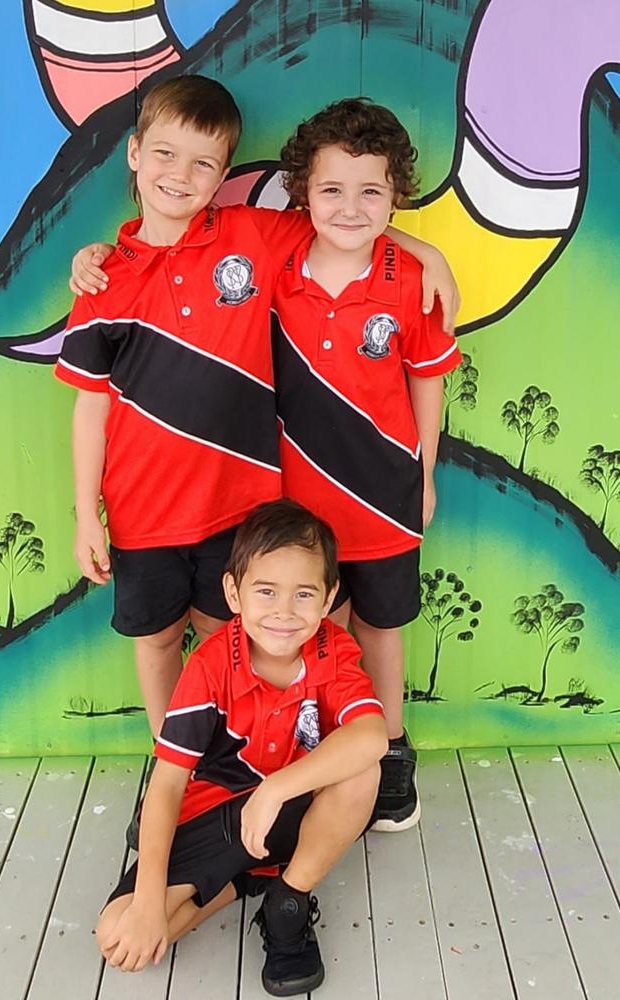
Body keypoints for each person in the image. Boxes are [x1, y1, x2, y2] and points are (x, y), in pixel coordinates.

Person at [63, 75, 458, 834]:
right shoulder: (106, 276)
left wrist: (423, 247)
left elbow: (348, 225)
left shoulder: (250, 236)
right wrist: (89, 511)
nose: (181, 175)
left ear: (223, 175)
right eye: (166, 156)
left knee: (248, 639)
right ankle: (178, 765)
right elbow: (91, 401)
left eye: (204, 163)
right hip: (158, 509)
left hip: (248, 511)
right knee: (158, 641)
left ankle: (314, 755)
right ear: (135, 155)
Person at [95, 499, 388, 997]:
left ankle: (287, 902)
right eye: (266, 591)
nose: (283, 612)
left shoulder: (332, 651)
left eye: (303, 594)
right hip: (220, 815)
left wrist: (276, 789)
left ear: (328, 596)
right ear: (233, 592)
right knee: (117, 931)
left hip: (293, 812)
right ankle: (243, 880)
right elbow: (166, 783)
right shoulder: (210, 664)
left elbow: (373, 735)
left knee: (363, 769)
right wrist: (148, 903)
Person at [272, 98, 463, 832]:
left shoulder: (414, 281)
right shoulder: (276, 261)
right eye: (331, 189)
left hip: (382, 495)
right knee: (317, 625)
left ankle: (387, 754)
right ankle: (317, 753)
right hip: (295, 498)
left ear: (395, 196)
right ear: (302, 193)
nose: (350, 207)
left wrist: (424, 474)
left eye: (371, 191)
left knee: (381, 627)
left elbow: (427, 379)